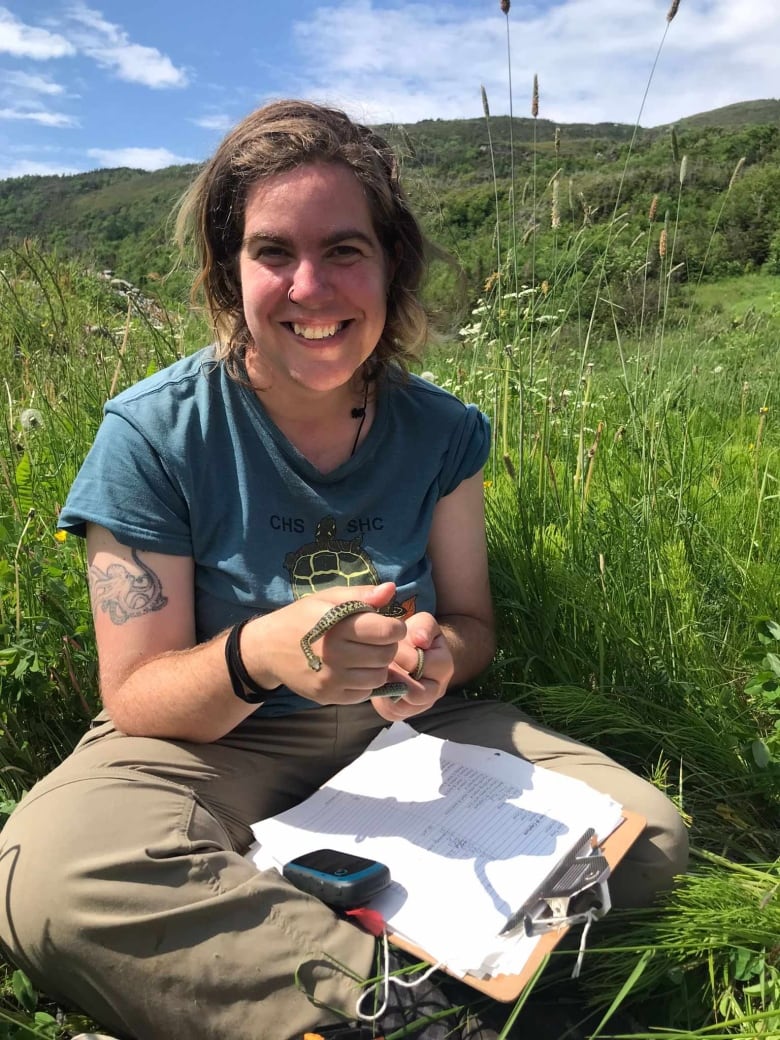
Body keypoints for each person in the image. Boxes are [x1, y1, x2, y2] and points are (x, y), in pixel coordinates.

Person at [0, 100, 688, 1040]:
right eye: (274, 251)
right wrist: (262, 655)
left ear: (391, 265)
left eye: (346, 251)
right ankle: (428, 1003)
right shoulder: (152, 435)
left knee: (645, 838)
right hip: (214, 748)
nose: (310, 287)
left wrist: (438, 652)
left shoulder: (444, 432)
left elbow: (474, 624)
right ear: (228, 270)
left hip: (408, 735)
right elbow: (137, 698)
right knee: (52, 871)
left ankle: (339, 991)